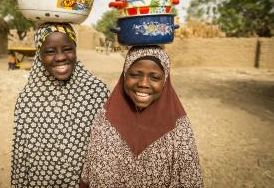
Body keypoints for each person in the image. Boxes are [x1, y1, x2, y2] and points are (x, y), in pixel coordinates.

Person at [80, 45, 203, 187]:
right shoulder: (105, 119)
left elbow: (189, 180)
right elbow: (90, 173)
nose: (143, 83)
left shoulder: (178, 126)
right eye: (135, 75)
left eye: (154, 77)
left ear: (166, 80)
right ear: (124, 75)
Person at [11, 23, 110, 187]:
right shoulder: (27, 100)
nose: (60, 57)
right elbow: (20, 157)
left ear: (76, 49)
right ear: (39, 55)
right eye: (50, 51)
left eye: (67, 49)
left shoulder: (97, 92)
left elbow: (108, 149)